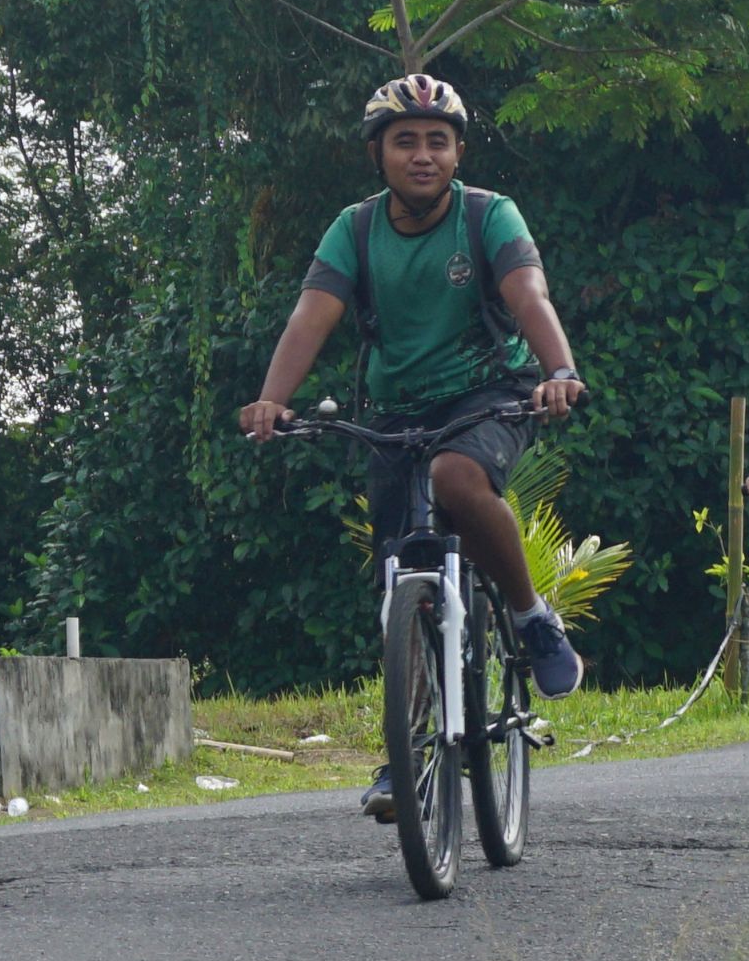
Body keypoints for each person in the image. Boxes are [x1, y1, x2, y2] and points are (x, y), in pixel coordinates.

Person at [239, 74, 592, 817]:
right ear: (379, 154)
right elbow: (312, 316)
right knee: (400, 583)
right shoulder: (355, 229)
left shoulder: (488, 215)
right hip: (394, 413)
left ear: (458, 151)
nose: (422, 155)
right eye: (405, 142)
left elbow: (530, 296)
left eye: (438, 140)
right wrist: (274, 397)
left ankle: (529, 617)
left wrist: (559, 370)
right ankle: (407, 754)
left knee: (460, 480)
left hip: (490, 395)